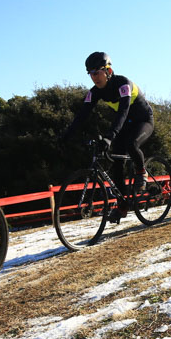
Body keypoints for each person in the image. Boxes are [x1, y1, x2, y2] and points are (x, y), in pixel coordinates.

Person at [59, 51, 154, 223]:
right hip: (125, 125)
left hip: (143, 120)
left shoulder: (123, 84)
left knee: (132, 145)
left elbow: (123, 112)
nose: (94, 77)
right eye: (90, 73)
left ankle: (142, 171)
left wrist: (110, 136)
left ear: (108, 71)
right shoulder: (94, 92)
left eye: (97, 72)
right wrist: (66, 135)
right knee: (117, 163)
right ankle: (122, 205)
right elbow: (82, 115)